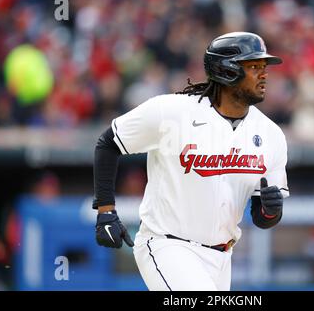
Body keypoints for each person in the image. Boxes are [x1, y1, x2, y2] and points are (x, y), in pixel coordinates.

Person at [92, 32, 290, 291]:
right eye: (254, 67)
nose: (264, 74)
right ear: (227, 70)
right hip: (168, 245)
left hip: (222, 256)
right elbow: (108, 143)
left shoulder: (270, 134)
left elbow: (261, 217)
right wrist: (106, 210)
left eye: (264, 67)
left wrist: (270, 211)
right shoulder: (173, 112)